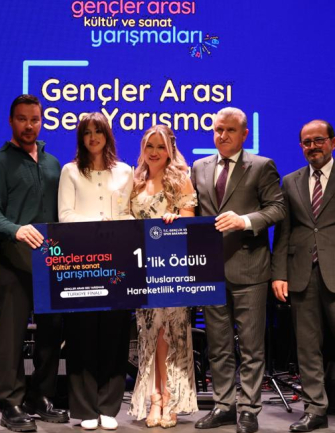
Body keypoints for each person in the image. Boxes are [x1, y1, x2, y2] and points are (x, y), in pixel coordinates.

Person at [271, 120, 335, 433]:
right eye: (307, 142)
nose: (313, 147)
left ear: (333, 142)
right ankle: (315, 410)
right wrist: (279, 273)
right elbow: (284, 232)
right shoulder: (290, 181)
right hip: (301, 274)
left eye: (318, 140)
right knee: (307, 349)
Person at [190, 108, 285, 433]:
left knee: (251, 347)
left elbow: (278, 208)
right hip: (210, 270)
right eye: (218, 129)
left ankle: (248, 410)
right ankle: (223, 406)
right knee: (217, 346)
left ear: (244, 134)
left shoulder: (261, 166)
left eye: (230, 130)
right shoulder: (199, 167)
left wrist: (244, 221)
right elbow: (194, 212)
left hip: (250, 269)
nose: (223, 135)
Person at [0, 95, 67, 432]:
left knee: (51, 334)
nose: (29, 126)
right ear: (11, 121)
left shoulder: (53, 164)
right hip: (13, 262)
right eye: (22, 119)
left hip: (50, 263)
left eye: (34, 119)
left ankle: (41, 396)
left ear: (42, 121)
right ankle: (11, 402)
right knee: (11, 336)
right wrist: (16, 229)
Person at [58, 112, 134, 431]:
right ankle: (85, 407)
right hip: (83, 265)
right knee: (82, 337)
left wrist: (118, 224)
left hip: (117, 264)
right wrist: (96, 225)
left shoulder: (125, 171)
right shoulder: (70, 170)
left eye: (98, 131)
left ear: (107, 135)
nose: (93, 137)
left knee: (115, 337)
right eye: (87, 132)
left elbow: (131, 213)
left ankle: (108, 407)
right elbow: (65, 215)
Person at [127, 124, 199, 428]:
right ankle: (153, 398)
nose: (154, 152)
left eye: (160, 147)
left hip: (172, 268)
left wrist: (176, 218)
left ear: (170, 150)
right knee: (149, 335)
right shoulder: (134, 180)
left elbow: (189, 220)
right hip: (143, 269)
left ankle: (169, 399)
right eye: (149, 146)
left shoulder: (180, 179)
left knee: (171, 334)